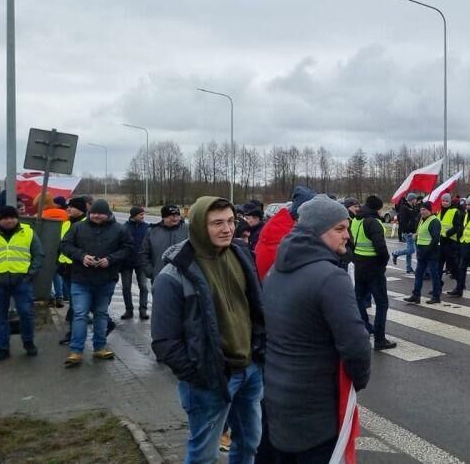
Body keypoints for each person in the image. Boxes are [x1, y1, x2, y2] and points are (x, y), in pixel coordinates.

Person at [151, 197, 265, 463]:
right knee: (204, 454)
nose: (227, 229)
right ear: (201, 227)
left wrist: (259, 355)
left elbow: (256, 309)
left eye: (230, 221)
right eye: (217, 223)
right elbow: (164, 341)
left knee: (249, 443)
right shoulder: (173, 275)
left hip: (248, 370)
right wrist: (200, 374)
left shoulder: (240, 255)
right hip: (209, 378)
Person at [262, 195, 371, 462]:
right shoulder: (330, 276)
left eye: (347, 227)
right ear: (317, 231)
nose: (347, 235)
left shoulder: (276, 269)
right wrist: (359, 381)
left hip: (277, 397)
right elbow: (356, 344)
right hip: (317, 407)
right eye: (339, 229)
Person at [60, 199, 132, 366]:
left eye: (100, 213)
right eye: (93, 213)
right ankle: (76, 351)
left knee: (100, 314)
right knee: (80, 313)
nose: (96, 216)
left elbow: (128, 248)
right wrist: (81, 256)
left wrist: (111, 259)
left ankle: (99, 347)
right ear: (89, 213)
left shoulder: (119, 230)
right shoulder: (78, 227)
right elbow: (65, 245)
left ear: (107, 214)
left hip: (106, 279)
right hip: (81, 279)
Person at [0, 206, 45, 362]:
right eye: (5, 218)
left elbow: (38, 254)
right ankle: (2, 348)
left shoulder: (28, 232)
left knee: (26, 313)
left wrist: (30, 275)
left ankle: (28, 342)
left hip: (21, 282)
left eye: (12, 217)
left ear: (17, 218)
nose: (10, 220)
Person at [351, 195, 396, 351]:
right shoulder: (374, 222)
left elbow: (350, 242)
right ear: (377, 208)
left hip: (359, 266)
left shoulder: (356, 220)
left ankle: (363, 328)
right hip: (373, 268)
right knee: (382, 304)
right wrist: (383, 264)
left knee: (358, 300)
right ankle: (379, 339)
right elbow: (381, 248)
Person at [57, 197, 88, 345]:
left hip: (78, 268)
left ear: (81, 209)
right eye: (68, 207)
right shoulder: (66, 223)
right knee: (74, 302)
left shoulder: (86, 225)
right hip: (65, 268)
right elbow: (62, 244)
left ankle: (73, 334)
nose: (68, 209)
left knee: (77, 303)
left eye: (72, 207)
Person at [138, 204, 189, 282]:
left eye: (177, 216)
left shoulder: (188, 230)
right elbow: (143, 253)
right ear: (164, 217)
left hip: (184, 279)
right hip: (159, 278)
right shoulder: (152, 232)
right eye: (172, 216)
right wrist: (151, 272)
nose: (175, 219)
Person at [405, 201, 442, 304]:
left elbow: (435, 239)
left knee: (434, 275)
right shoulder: (422, 220)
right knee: (418, 274)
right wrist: (416, 237)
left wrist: (426, 251)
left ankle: (436, 296)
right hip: (422, 253)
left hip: (431, 253)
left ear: (429, 210)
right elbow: (422, 234)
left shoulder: (434, 221)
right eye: (421, 209)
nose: (422, 212)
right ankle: (416, 295)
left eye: (424, 209)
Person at [38, 196, 69, 307]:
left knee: (45, 272)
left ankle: (49, 296)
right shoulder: (65, 214)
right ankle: (59, 297)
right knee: (56, 274)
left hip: (46, 246)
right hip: (60, 246)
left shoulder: (42, 214)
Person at [121, 206, 150, 320]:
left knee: (143, 286)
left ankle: (143, 310)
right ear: (133, 215)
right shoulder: (124, 228)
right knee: (126, 287)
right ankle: (129, 310)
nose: (143, 217)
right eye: (140, 215)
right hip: (126, 263)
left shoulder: (147, 228)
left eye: (143, 214)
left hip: (141, 263)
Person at [438, 193, 463, 281]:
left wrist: (447, 234)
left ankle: (460, 286)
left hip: (450, 243)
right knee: (439, 266)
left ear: (450, 202)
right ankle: (437, 287)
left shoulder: (454, 211)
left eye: (446, 201)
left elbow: (457, 227)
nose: (444, 203)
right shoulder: (439, 212)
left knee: (453, 266)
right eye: (443, 201)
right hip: (441, 242)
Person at [391, 192, 419, 274]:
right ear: (412, 200)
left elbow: (413, 215)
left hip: (410, 231)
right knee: (411, 250)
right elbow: (402, 221)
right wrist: (406, 231)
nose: (416, 201)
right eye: (415, 199)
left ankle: (408, 268)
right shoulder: (404, 208)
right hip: (408, 232)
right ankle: (396, 253)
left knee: (409, 250)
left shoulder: (410, 207)